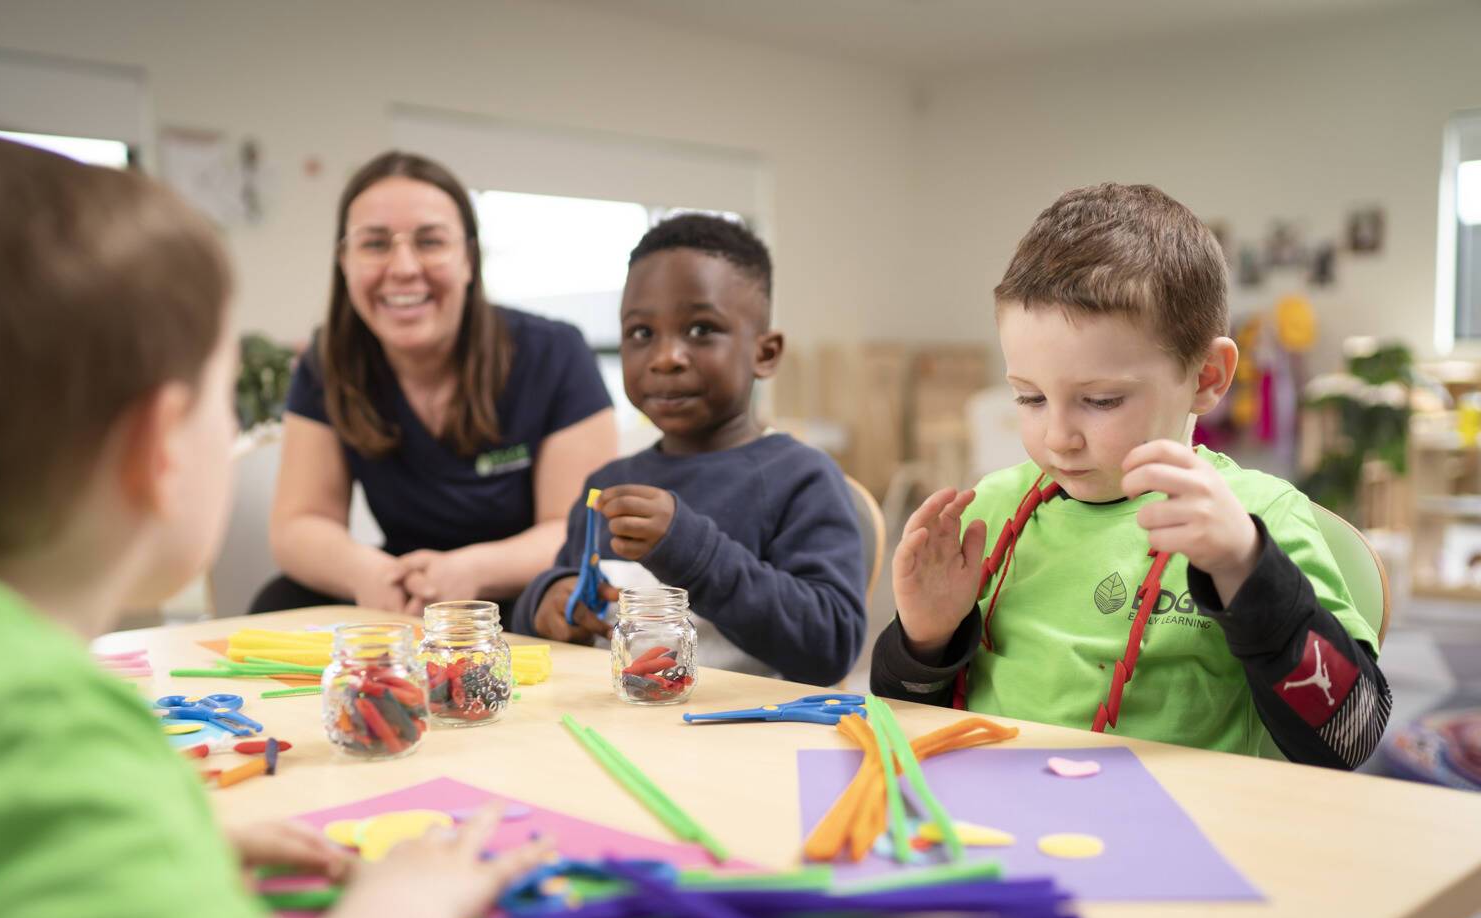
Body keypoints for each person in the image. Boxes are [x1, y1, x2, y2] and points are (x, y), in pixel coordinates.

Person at [0, 133, 548, 918]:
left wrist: (148, 870)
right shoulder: (29, 724)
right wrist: (415, 901)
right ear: (158, 446)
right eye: (222, 401)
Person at [871, 183, 1391, 769]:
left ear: (1206, 377)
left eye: (1099, 400)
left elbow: (1351, 735)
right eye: (1030, 398)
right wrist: (925, 640)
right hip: (996, 827)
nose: (1058, 436)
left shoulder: (1256, 517)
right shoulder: (986, 515)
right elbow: (906, 723)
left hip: (1179, 839)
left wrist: (1246, 571)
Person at [259, 151, 616, 618]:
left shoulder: (553, 353)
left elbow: (575, 528)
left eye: (430, 242)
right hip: (400, 585)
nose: (404, 267)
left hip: (522, 590)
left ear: (468, 259)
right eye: (375, 244)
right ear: (343, 262)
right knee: (278, 600)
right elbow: (299, 525)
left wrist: (469, 572)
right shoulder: (329, 362)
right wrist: (368, 574)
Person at [514, 214, 866, 686]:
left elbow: (830, 646)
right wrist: (546, 601)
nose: (665, 358)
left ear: (765, 353)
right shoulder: (607, 483)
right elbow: (559, 599)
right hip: (611, 730)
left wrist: (692, 553)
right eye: (641, 333)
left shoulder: (802, 478)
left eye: (701, 330)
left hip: (743, 744)